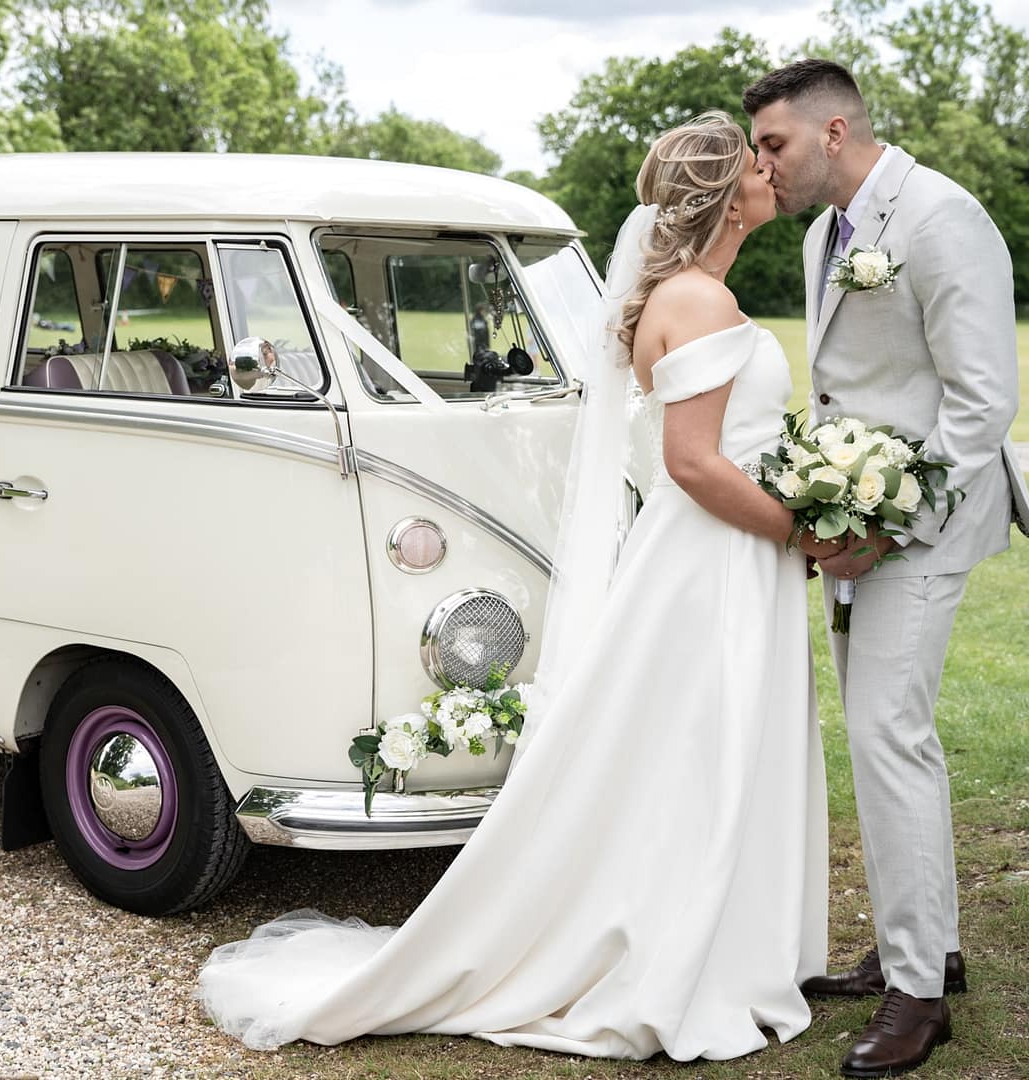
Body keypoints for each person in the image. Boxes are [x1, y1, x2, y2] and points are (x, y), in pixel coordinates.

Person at [196, 111, 831, 1062]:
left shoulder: (692, 292)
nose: (769, 172)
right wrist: (797, 528)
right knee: (702, 739)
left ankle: (723, 927)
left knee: (698, 741)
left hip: (719, 551)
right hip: (714, 558)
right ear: (722, 199)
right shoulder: (697, 301)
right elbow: (693, 461)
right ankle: (679, 943)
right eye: (754, 163)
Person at [743, 59, 1029, 1078]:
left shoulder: (942, 218)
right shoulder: (826, 234)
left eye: (774, 144)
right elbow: (842, 389)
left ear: (833, 132)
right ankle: (928, 947)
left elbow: (981, 401)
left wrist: (888, 522)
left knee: (887, 736)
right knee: (886, 739)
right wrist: (827, 502)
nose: (762, 166)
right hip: (853, 520)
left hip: (924, 526)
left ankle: (918, 995)